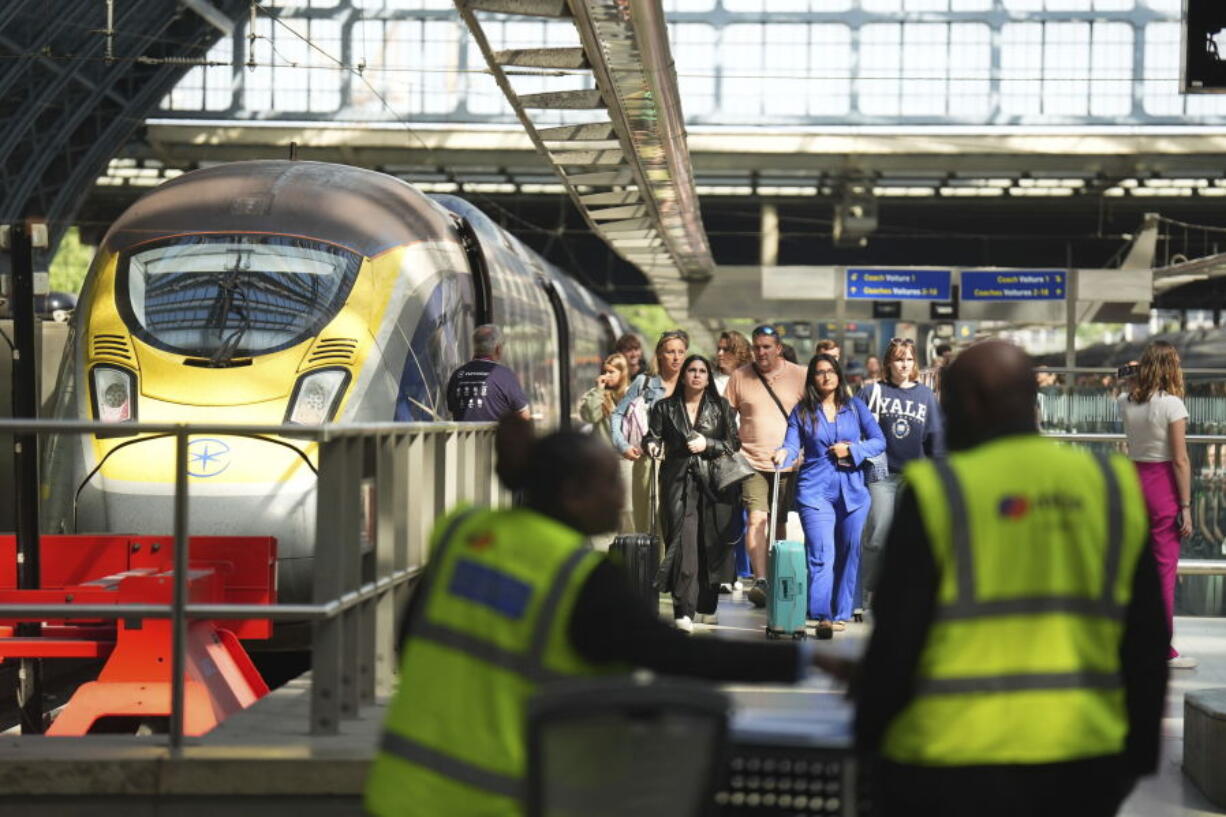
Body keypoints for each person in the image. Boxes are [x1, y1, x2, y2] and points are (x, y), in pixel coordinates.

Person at [366, 416, 820, 817]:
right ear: (572, 493)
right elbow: (675, 654)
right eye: (608, 482)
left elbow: (408, 640)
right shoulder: (579, 578)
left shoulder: (463, 533)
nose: (620, 497)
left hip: (397, 791)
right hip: (496, 802)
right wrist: (805, 663)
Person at [834, 340, 1167, 817]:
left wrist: (868, 739)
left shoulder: (938, 492)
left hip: (949, 761)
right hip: (1081, 759)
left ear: (968, 404)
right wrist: (1136, 758)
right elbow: (1147, 636)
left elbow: (899, 639)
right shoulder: (1110, 485)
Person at [772, 354, 884, 637]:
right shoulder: (802, 411)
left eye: (830, 371)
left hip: (854, 492)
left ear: (838, 375)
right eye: (819, 372)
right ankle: (822, 615)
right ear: (812, 378)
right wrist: (782, 454)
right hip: (815, 491)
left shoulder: (856, 407)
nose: (826, 377)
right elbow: (790, 444)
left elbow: (878, 441)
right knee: (822, 553)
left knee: (849, 552)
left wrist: (854, 451)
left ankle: (840, 612)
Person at [643, 355, 741, 632]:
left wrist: (707, 443)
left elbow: (733, 442)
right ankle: (683, 609)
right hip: (678, 483)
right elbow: (652, 435)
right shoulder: (664, 407)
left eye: (702, 371)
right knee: (683, 543)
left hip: (714, 485)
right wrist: (651, 445)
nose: (697, 375)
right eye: (692, 370)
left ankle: (707, 606)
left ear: (708, 378)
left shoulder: (721, 407)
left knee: (709, 545)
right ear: (684, 375)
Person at [1117, 340, 1196, 669]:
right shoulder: (1173, 405)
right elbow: (1179, 459)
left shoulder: (1125, 401)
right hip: (1162, 485)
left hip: (1134, 482)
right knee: (1164, 570)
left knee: (1136, 569)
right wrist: (1186, 506)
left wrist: (1131, 378)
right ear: (1171, 368)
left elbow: (1129, 389)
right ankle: (1162, 648)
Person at [855, 338, 944, 612]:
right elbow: (853, 428)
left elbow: (935, 439)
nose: (904, 364)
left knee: (911, 539)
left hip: (915, 475)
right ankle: (866, 591)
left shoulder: (926, 396)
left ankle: (902, 593)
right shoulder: (871, 392)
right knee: (878, 534)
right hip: (881, 475)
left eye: (908, 359)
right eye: (898, 359)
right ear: (888, 363)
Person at [724, 325, 807, 607]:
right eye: (757, 347)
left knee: (779, 522)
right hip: (751, 460)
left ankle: (777, 572)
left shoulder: (799, 375)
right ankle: (760, 581)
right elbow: (725, 415)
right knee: (757, 517)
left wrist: (806, 448)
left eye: (767, 347)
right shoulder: (739, 377)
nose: (761, 352)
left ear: (778, 348)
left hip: (788, 462)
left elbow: (814, 414)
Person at [611, 330, 689, 534]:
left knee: (677, 527)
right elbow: (617, 414)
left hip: (683, 463)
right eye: (670, 351)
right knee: (649, 528)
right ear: (660, 354)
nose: (676, 357)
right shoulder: (644, 383)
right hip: (649, 463)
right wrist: (623, 445)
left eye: (681, 352)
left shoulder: (692, 384)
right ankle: (650, 566)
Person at [445, 324, 530, 421]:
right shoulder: (505, 376)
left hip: (463, 436)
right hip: (496, 436)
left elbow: (452, 410)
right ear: (498, 349)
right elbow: (524, 415)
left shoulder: (457, 375)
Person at [578, 352, 630, 446]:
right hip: (604, 453)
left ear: (622, 374)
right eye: (604, 372)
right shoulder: (596, 393)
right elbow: (591, 417)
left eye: (611, 372)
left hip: (626, 455)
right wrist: (598, 391)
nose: (606, 376)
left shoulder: (632, 394)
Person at [714, 330, 752, 396]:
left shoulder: (752, 379)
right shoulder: (710, 381)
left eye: (726, 350)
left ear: (739, 352)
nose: (720, 353)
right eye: (718, 349)